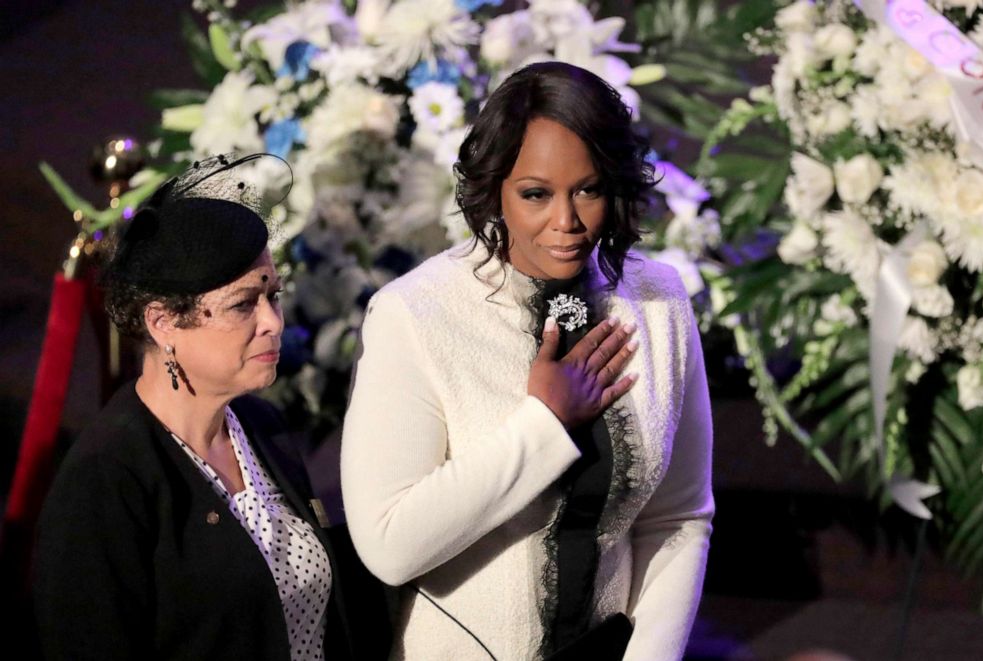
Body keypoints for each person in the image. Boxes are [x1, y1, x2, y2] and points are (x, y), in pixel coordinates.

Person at [341, 62, 714, 660]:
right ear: (495, 189)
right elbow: (388, 546)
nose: (565, 223)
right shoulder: (415, 314)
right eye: (536, 194)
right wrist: (544, 424)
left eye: (587, 190)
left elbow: (679, 517)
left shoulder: (658, 300)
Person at [33, 154, 390, 661]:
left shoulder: (261, 426)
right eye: (244, 303)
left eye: (274, 295)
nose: (272, 322)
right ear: (162, 323)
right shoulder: (107, 480)